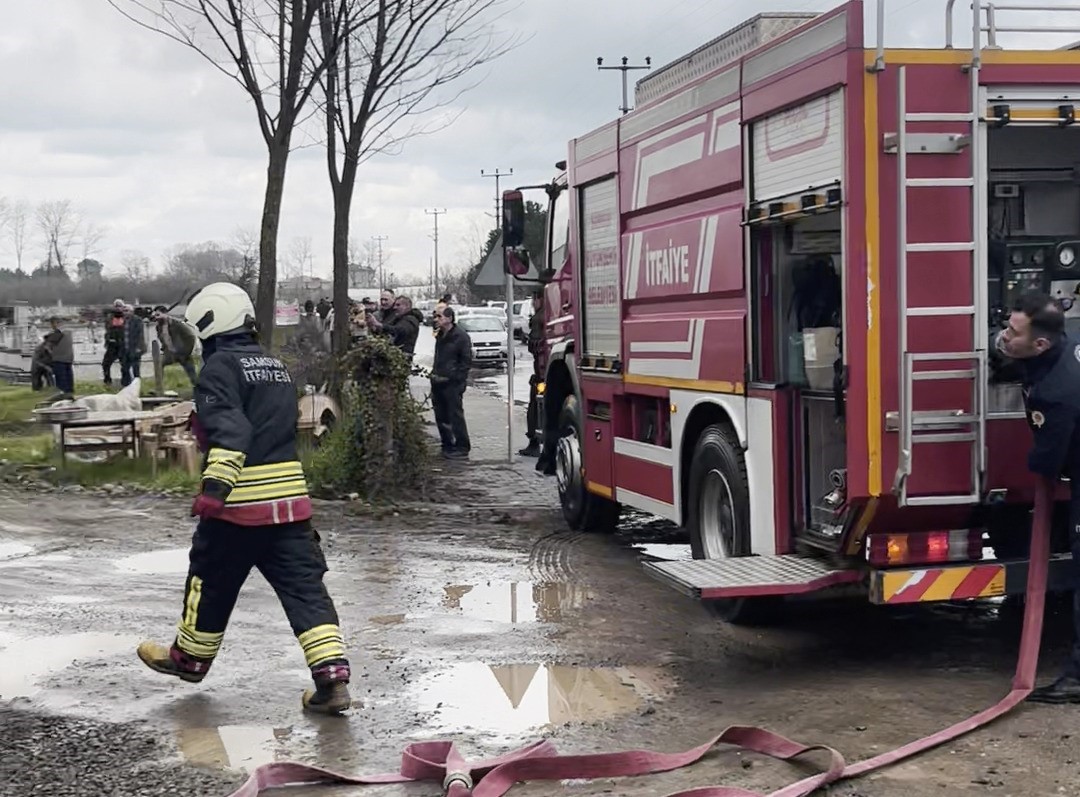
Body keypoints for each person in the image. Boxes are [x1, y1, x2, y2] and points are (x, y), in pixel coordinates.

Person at [136, 282, 352, 715]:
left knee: (209, 581)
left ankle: (189, 660)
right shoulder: (274, 366)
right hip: (290, 507)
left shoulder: (220, 367)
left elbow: (233, 434)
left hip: (240, 509)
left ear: (211, 322)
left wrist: (214, 490)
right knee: (306, 593)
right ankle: (332, 682)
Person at [993, 291, 1080, 704]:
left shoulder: (1055, 392)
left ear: (1041, 343)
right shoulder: (1068, 339)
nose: (1004, 336)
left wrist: (1037, 463)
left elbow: (1048, 461)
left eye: (1013, 332)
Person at [430, 306, 472, 459]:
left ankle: (462, 446)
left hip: (452, 383)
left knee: (455, 415)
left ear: (449, 318)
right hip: (438, 380)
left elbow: (466, 361)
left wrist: (456, 377)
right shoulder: (440, 335)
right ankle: (447, 444)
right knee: (441, 415)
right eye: (435, 316)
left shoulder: (460, 336)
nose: (436, 319)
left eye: (439, 316)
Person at [519, 290, 545, 457]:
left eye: (534, 299)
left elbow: (536, 345)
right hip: (550, 371)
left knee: (534, 408)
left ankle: (534, 442)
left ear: (539, 299)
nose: (533, 303)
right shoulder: (552, 314)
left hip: (541, 372)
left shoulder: (538, 318)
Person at [153, 305, 199, 386]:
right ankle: (159, 387)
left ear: (165, 313)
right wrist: (164, 348)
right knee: (159, 365)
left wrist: (186, 351)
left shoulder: (177, 324)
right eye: (155, 315)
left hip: (182, 352)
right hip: (170, 353)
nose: (156, 318)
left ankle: (198, 388)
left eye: (158, 315)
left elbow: (191, 336)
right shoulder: (158, 327)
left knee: (191, 372)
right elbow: (163, 338)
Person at [43, 316, 74, 395]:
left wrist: (50, 352)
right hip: (69, 358)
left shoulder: (56, 334)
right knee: (69, 379)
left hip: (59, 359)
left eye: (51, 324)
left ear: (55, 323)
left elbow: (47, 345)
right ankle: (69, 393)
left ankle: (63, 394)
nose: (51, 326)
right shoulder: (69, 332)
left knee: (61, 381)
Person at [121, 304, 146, 386]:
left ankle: (137, 385)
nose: (125, 312)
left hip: (135, 347)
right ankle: (125, 385)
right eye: (124, 311)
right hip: (125, 348)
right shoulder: (122, 320)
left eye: (127, 311)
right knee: (124, 368)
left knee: (135, 368)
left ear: (131, 311)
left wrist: (139, 347)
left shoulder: (137, 320)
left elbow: (140, 335)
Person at [103, 300, 126, 385]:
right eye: (116, 306)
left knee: (124, 364)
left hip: (123, 344)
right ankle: (107, 380)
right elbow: (107, 331)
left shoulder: (126, 317)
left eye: (120, 306)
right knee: (105, 364)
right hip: (112, 344)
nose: (118, 308)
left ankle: (125, 380)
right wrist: (107, 340)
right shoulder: (109, 317)